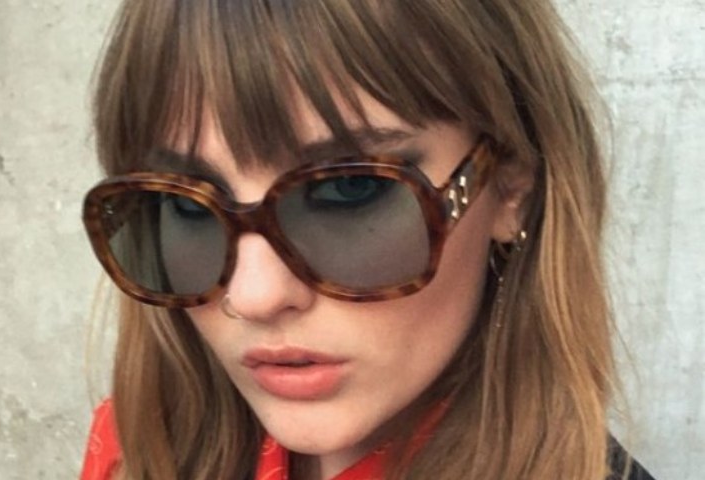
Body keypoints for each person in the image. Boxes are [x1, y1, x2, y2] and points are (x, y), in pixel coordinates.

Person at [79, 1, 656, 479]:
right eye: (185, 203)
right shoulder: (138, 448)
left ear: (510, 188)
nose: (253, 296)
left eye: (349, 190)